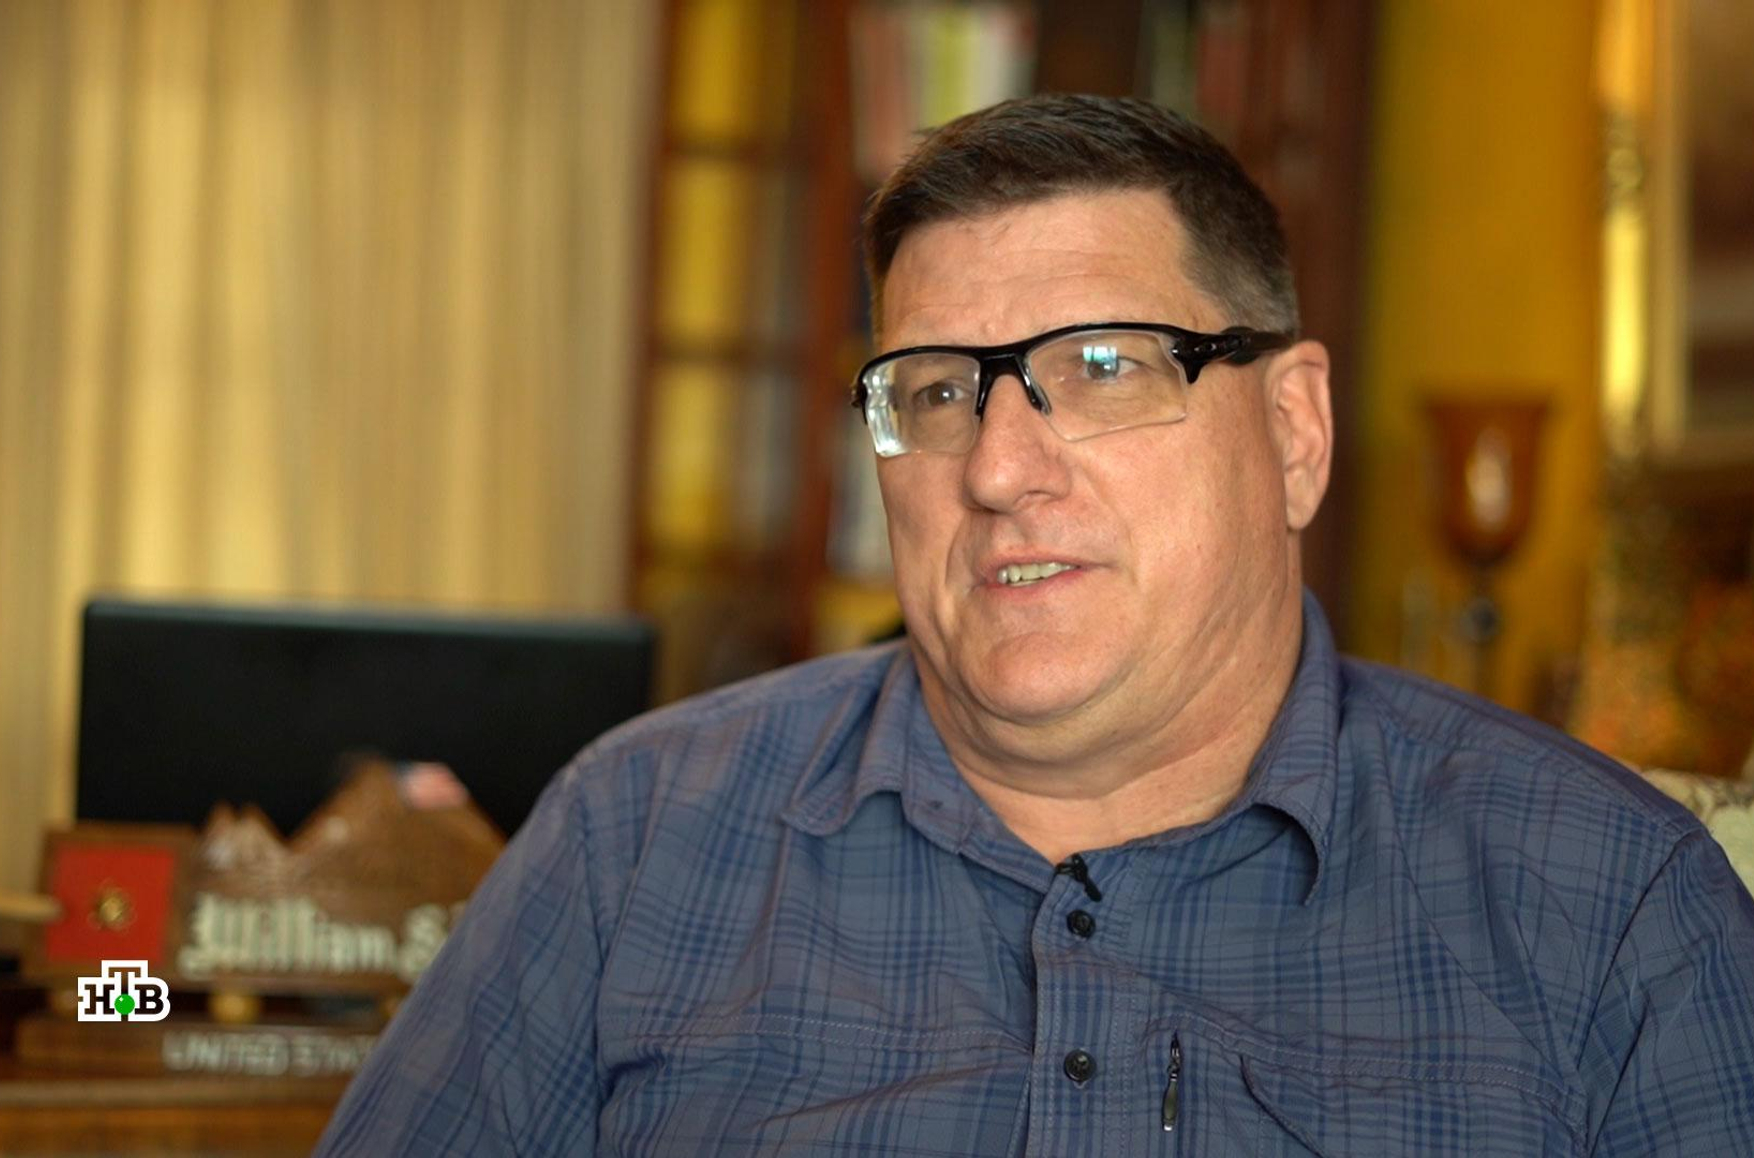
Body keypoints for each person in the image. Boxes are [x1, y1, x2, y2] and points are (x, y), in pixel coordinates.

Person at [317, 94, 1754, 1155]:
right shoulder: (634, 839)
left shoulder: (1609, 909)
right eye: (937, 392)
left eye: (1105, 366)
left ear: (1294, 431)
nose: (999, 468)